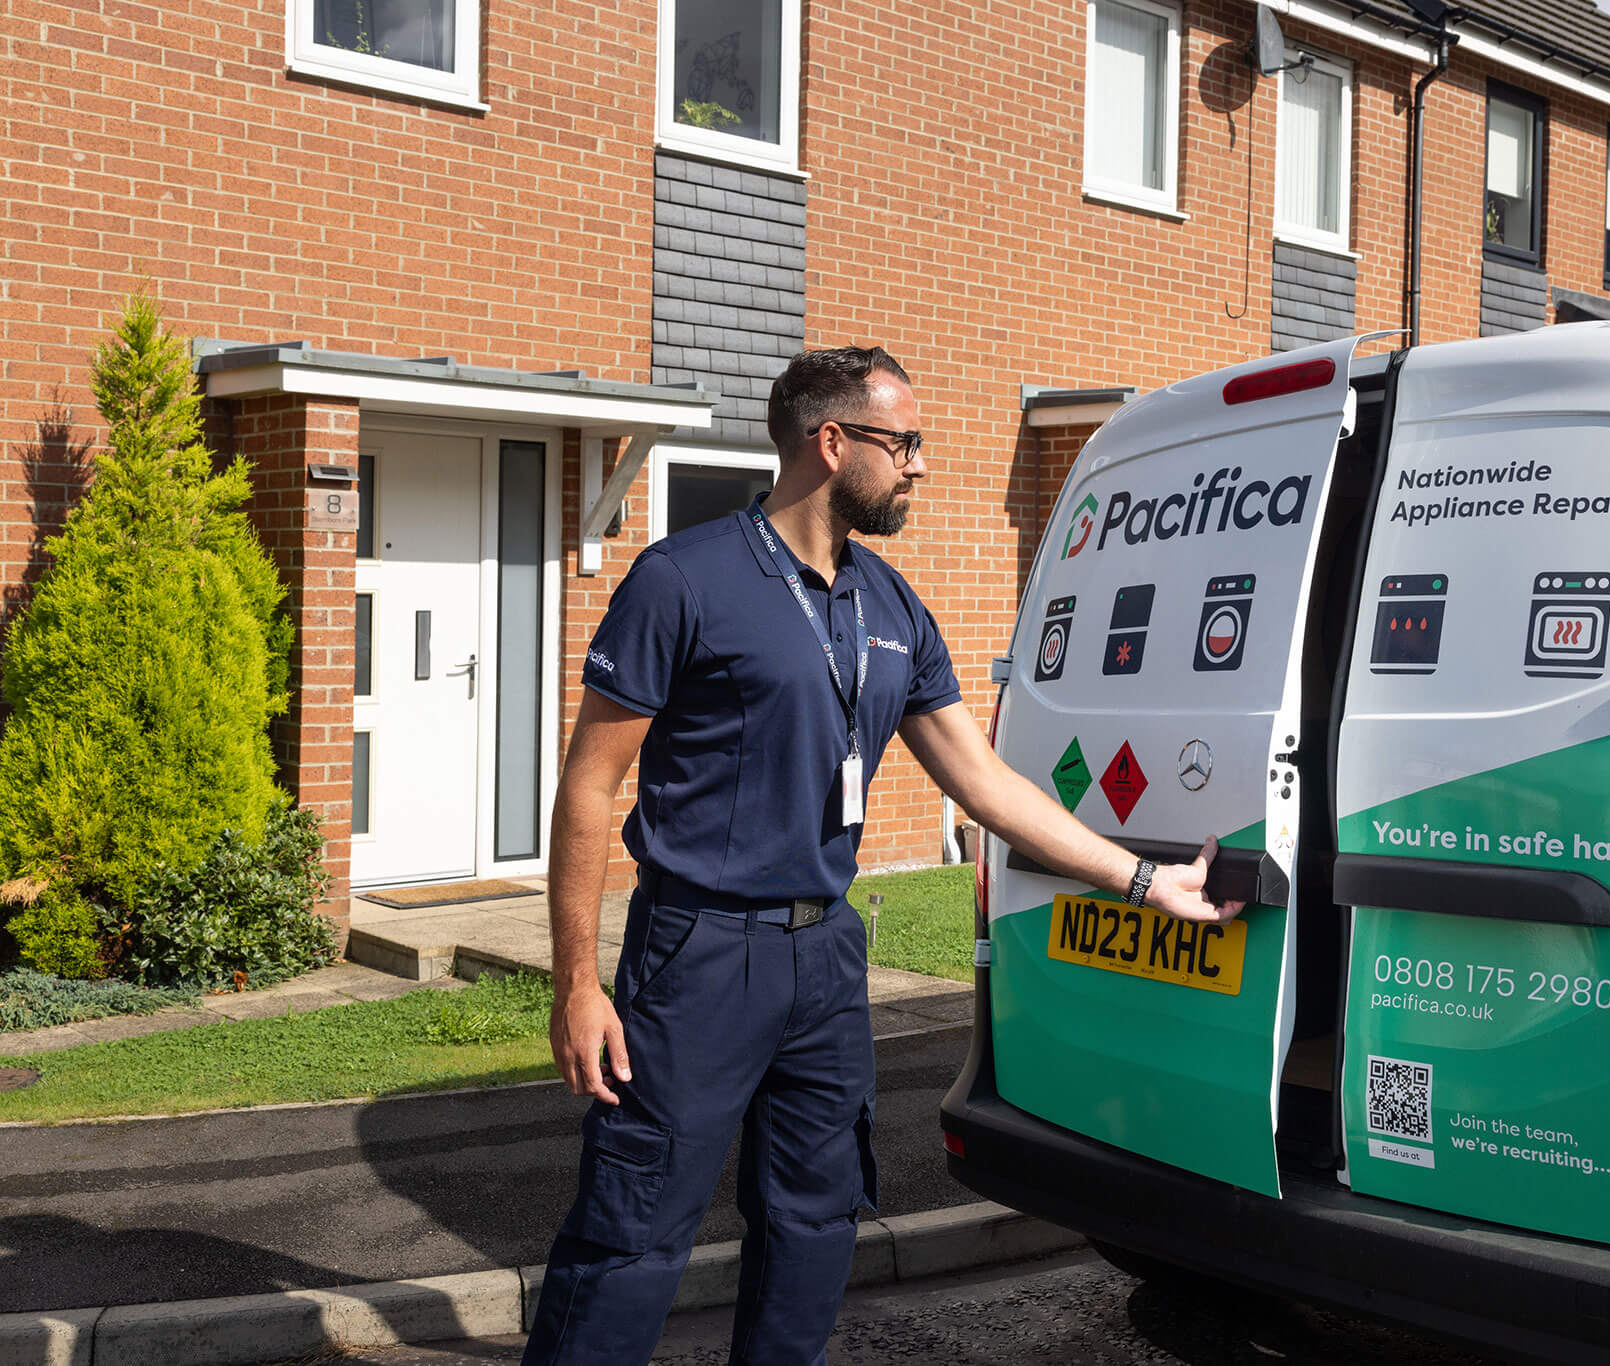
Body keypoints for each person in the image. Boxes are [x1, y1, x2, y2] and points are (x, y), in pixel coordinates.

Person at [522, 345, 1243, 1365]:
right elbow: (590, 784)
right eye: (902, 442)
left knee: (813, 1227)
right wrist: (577, 985)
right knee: (632, 1236)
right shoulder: (683, 580)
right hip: (697, 956)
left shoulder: (892, 607)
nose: (918, 465)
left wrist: (1137, 874)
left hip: (824, 960)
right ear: (831, 442)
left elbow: (982, 781)